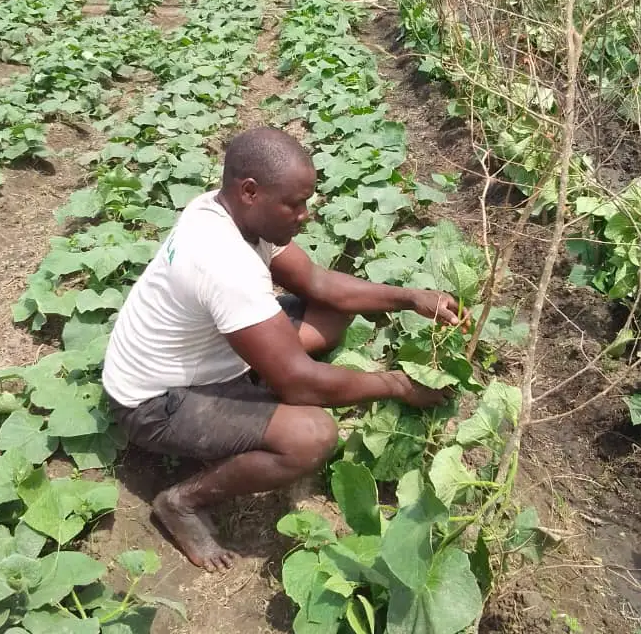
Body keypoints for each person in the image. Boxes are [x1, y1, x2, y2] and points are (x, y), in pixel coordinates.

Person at [102, 127, 466, 572]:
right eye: (295, 204)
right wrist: (397, 386)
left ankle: (258, 379)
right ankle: (182, 502)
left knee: (333, 310)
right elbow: (299, 384)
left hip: (204, 357)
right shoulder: (222, 262)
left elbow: (318, 283)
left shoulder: (229, 212)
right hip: (156, 402)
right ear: (250, 191)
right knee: (311, 436)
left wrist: (411, 297)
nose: (305, 215)